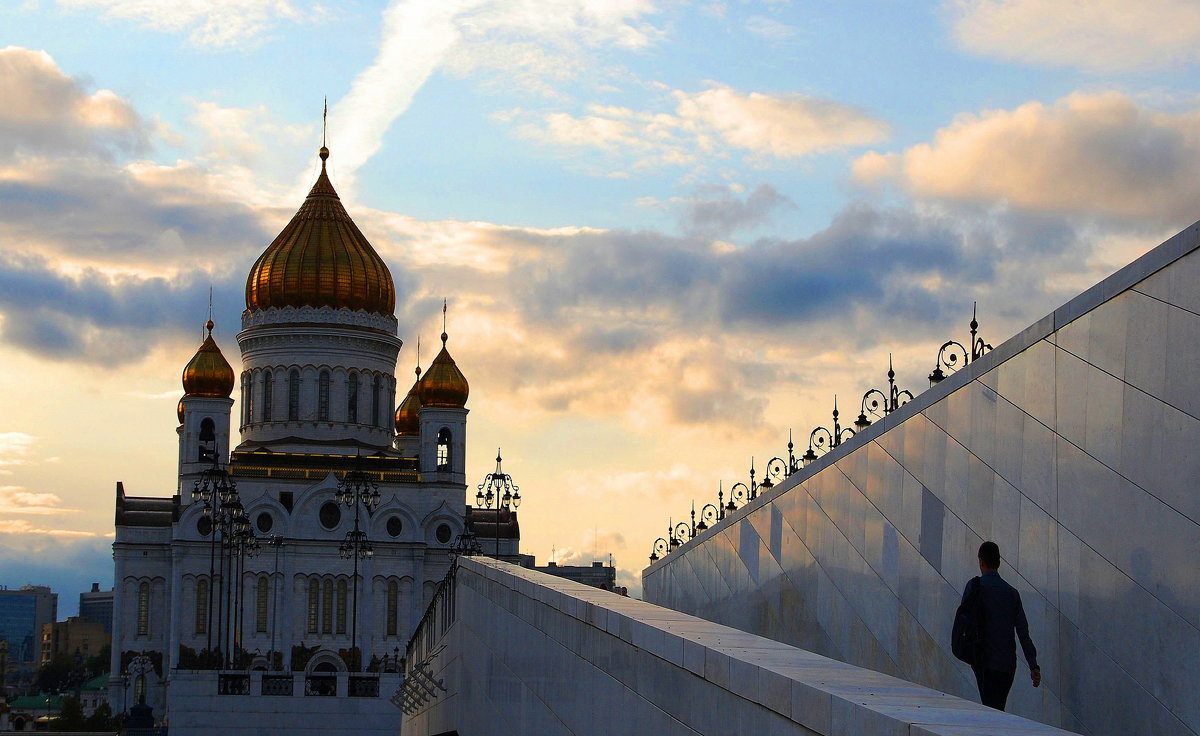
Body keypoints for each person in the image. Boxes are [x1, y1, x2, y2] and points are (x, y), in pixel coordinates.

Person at [962, 541, 1041, 710]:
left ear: (981, 562)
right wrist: (1033, 665)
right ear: (999, 562)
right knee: (997, 708)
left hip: (984, 661)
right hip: (1007, 666)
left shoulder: (975, 587)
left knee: (991, 709)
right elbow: (1023, 633)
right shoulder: (1012, 593)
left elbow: (964, 622)